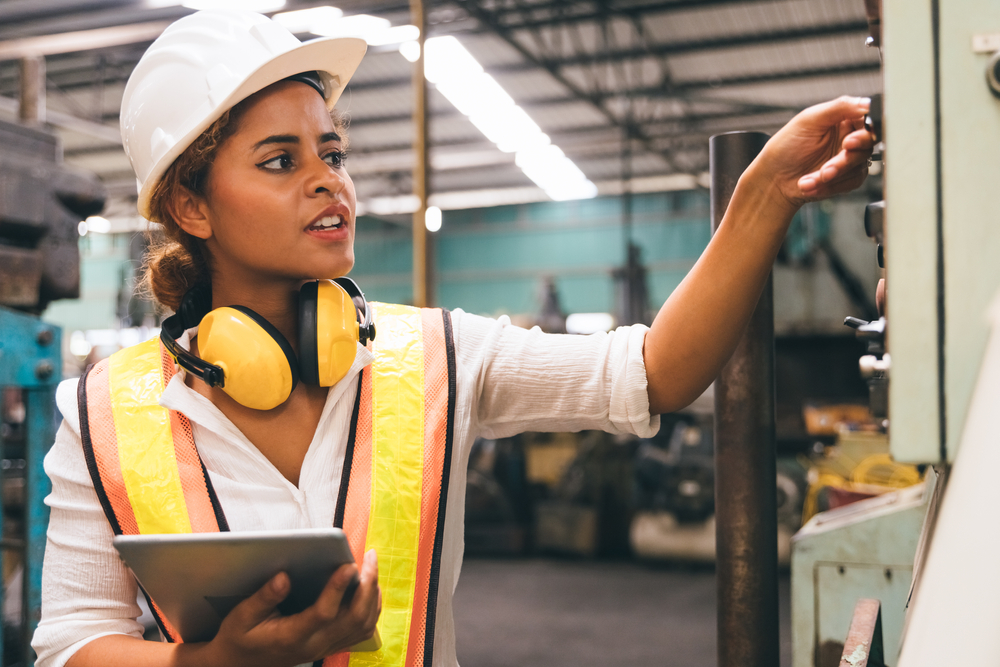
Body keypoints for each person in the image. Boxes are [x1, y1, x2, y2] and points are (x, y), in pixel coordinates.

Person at [32, 8, 874, 667]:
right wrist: (211, 660)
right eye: (281, 161)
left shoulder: (437, 354)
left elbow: (653, 371)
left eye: (332, 150)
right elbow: (72, 640)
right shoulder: (104, 412)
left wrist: (764, 196)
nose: (331, 179)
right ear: (191, 207)